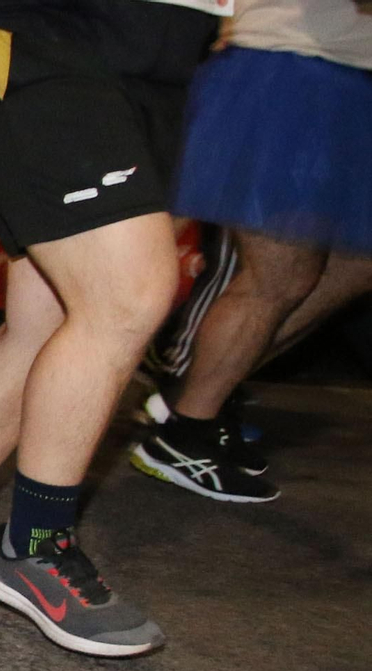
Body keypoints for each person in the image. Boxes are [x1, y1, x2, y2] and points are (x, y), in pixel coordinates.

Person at [0, 0, 221, 659]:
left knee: (52, 317)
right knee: (123, 300)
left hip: (163, 59)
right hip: (52, 37)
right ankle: (34, 547)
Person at [130, 0, 372, 504]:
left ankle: (198, 392)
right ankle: (186, 429)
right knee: (279, 276)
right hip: (292, 71)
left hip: (343, 78)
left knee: (354, 264)